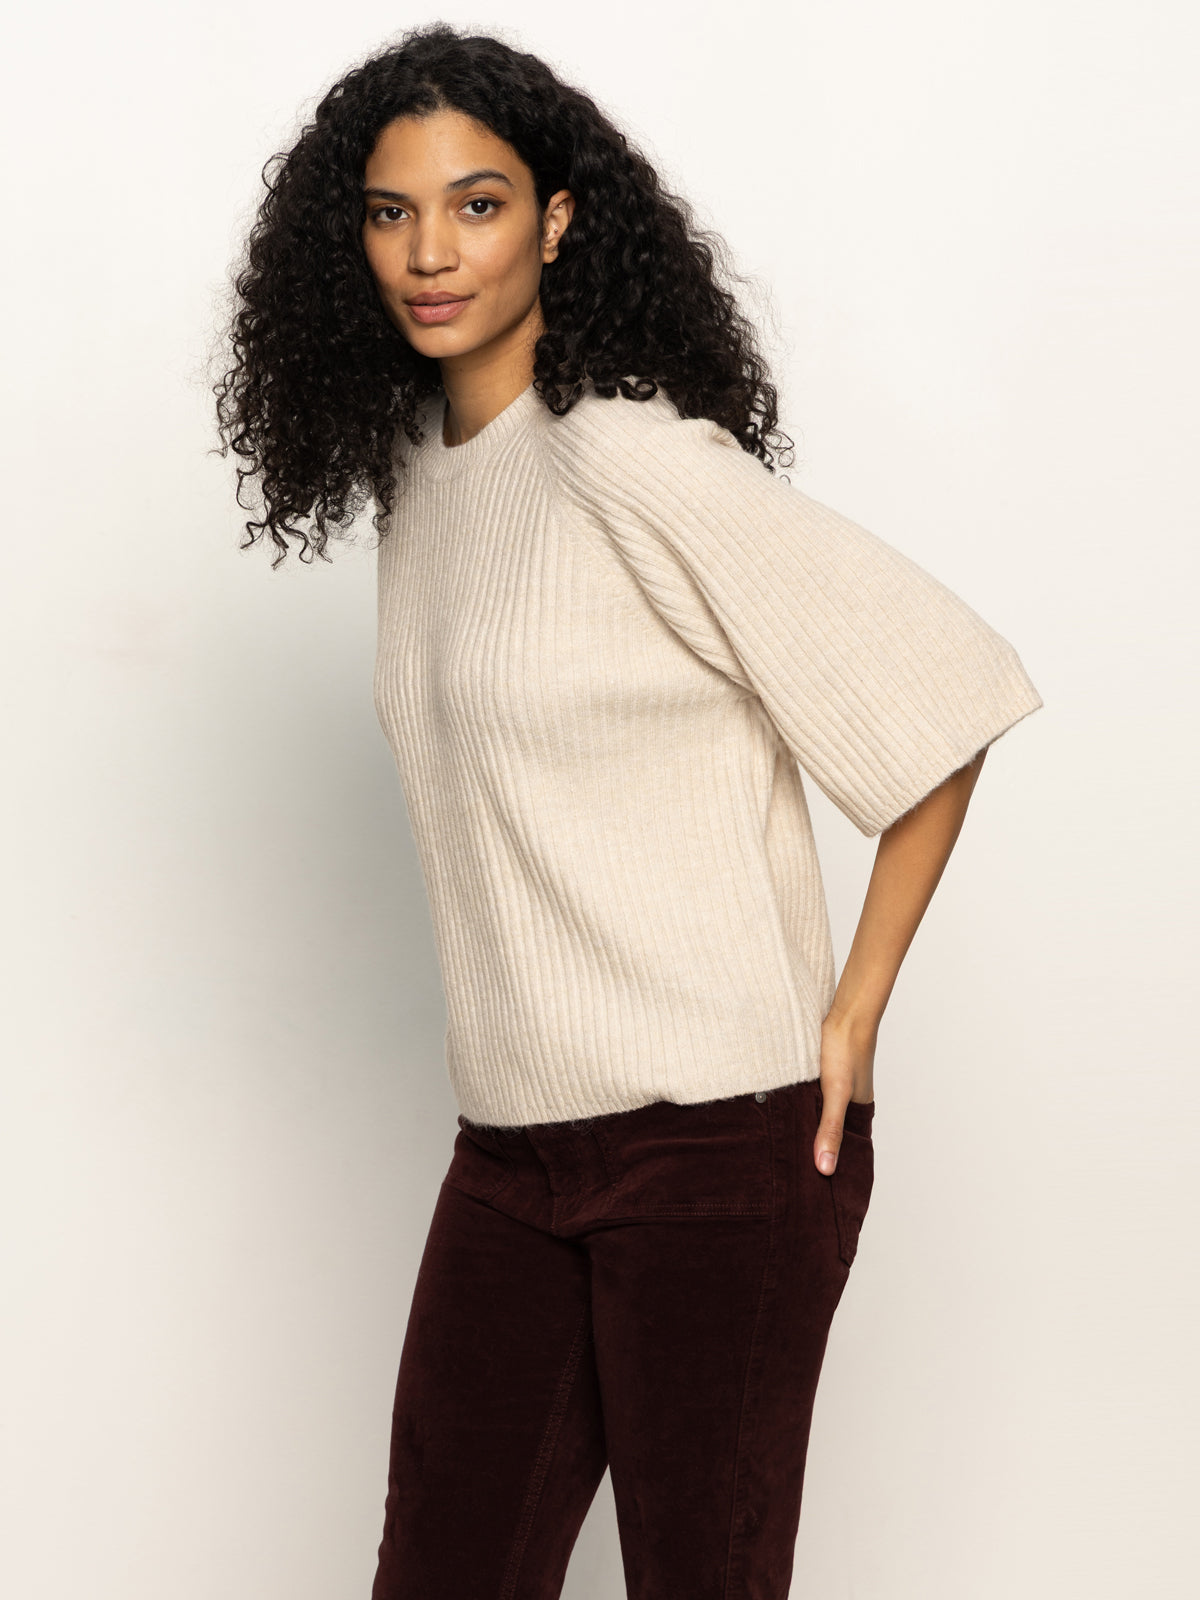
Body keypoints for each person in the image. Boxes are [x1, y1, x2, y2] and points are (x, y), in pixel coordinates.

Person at [215, 22, 1044, 1600]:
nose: (431, 251)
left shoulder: (630, 459)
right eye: (392, 213)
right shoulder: (422, 476)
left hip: (720, 1146)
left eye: (478, 203)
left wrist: (853, 1017)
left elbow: (948, 691)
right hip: (512, 1156)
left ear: (560, 219)